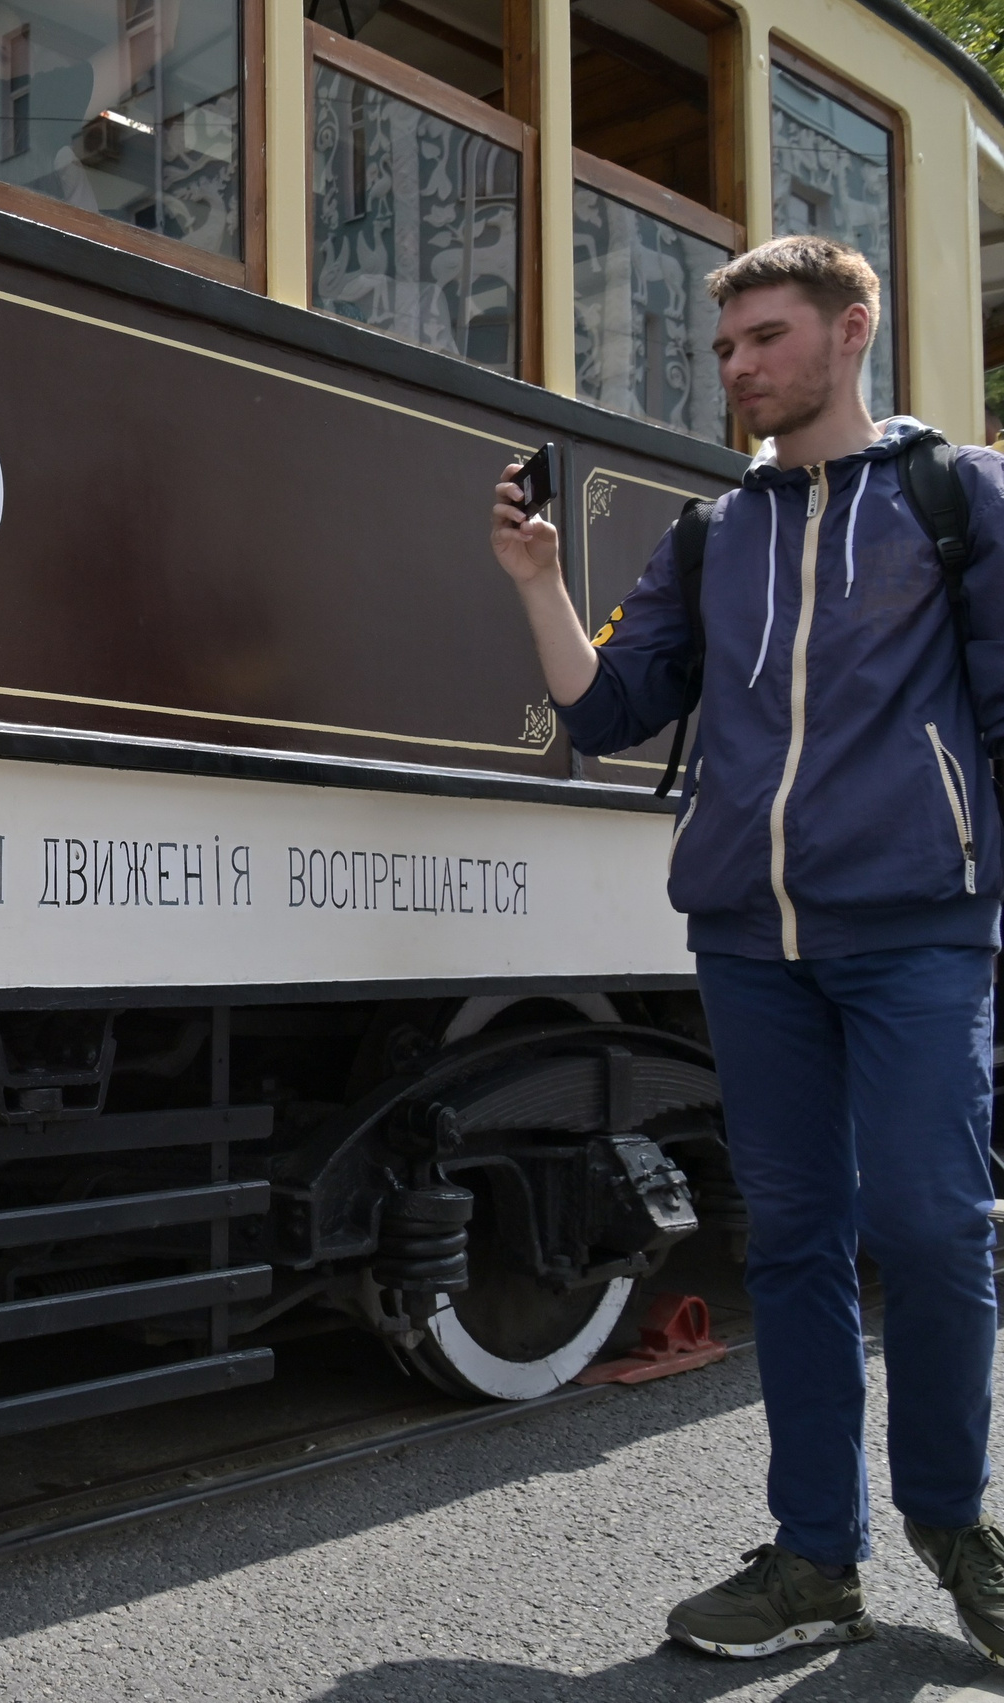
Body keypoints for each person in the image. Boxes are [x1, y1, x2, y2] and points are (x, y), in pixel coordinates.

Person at [490, 233, 1004, 1663]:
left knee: (934, 1225)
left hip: (916, 927)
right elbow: (608, 711)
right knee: (793, 1242)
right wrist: (536, 579)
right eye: (725, 346)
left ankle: (954, 1523)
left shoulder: (954, 497)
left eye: (766, 337)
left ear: (852, 330)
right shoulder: (713, 535)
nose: (738, 366)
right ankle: (814, 1558)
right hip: (746, 939)